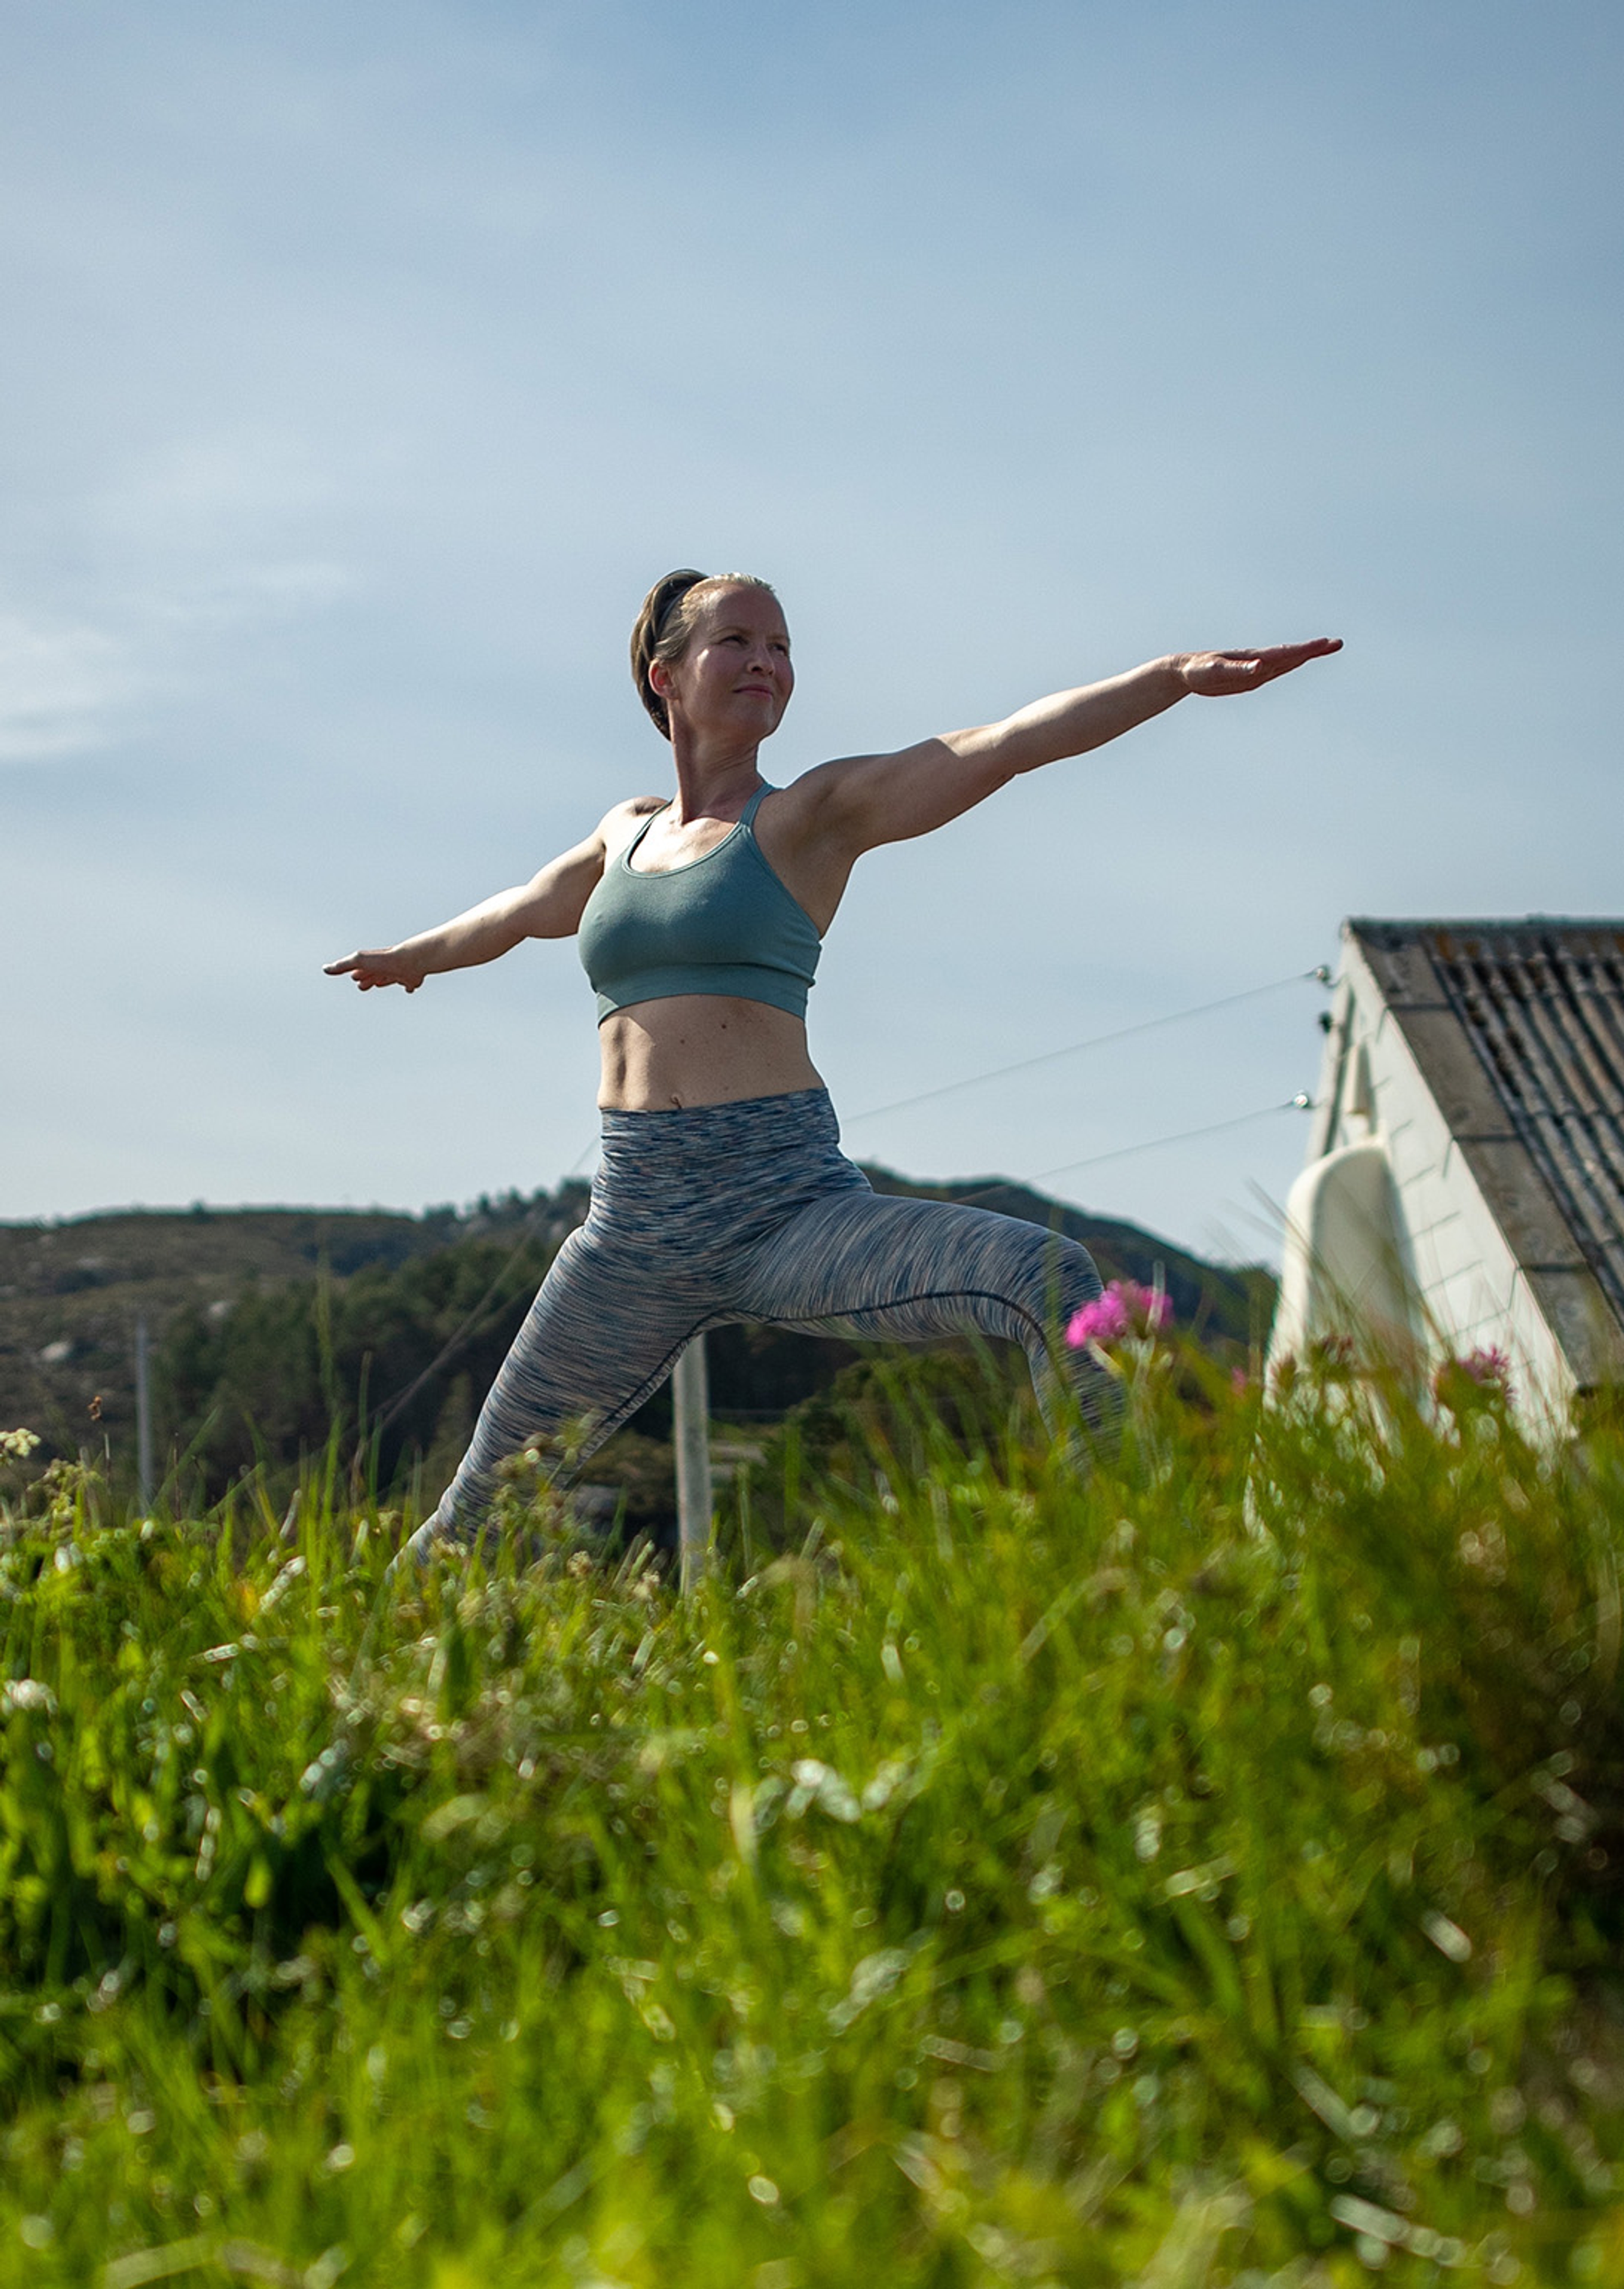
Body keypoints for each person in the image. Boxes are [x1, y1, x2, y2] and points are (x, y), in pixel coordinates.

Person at [327, 570, 1339, 1556]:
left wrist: (1167, 677)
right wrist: (417, 956)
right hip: (634, 1225)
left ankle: (1142, 1555)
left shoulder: (811, 816)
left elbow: (996, 748)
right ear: (664, 673)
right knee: (481, 1507)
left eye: (782, 647)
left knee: (1048, 1276)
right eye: (739, 641)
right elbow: (529, 907)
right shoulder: (623, 832)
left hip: (786, 1204)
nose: (767, 662)